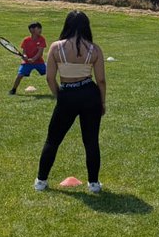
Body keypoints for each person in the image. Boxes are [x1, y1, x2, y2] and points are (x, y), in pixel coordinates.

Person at [34, 11, 107, 194]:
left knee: (53, 140)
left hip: (68, 92)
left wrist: (61, 96)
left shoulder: (56, 47)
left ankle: (41, 182)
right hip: (90, 94)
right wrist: (102, 102)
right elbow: (101, 81)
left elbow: (50, 78)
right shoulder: (94, 49)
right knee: (91, 142)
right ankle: (94, 184)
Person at [9, 22, 47, 95]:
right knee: (19, 75)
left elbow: (40, 53)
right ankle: (13, 90)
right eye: (38, 28)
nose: (40, 30)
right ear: (31, 30)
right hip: (27, 63)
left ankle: (58, 89)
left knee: (50, 74)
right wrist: (25, 56)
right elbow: (24, 52)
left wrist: (33, 59)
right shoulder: (26, 40)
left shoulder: (42, 39)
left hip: (39, 62)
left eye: (40, 28)